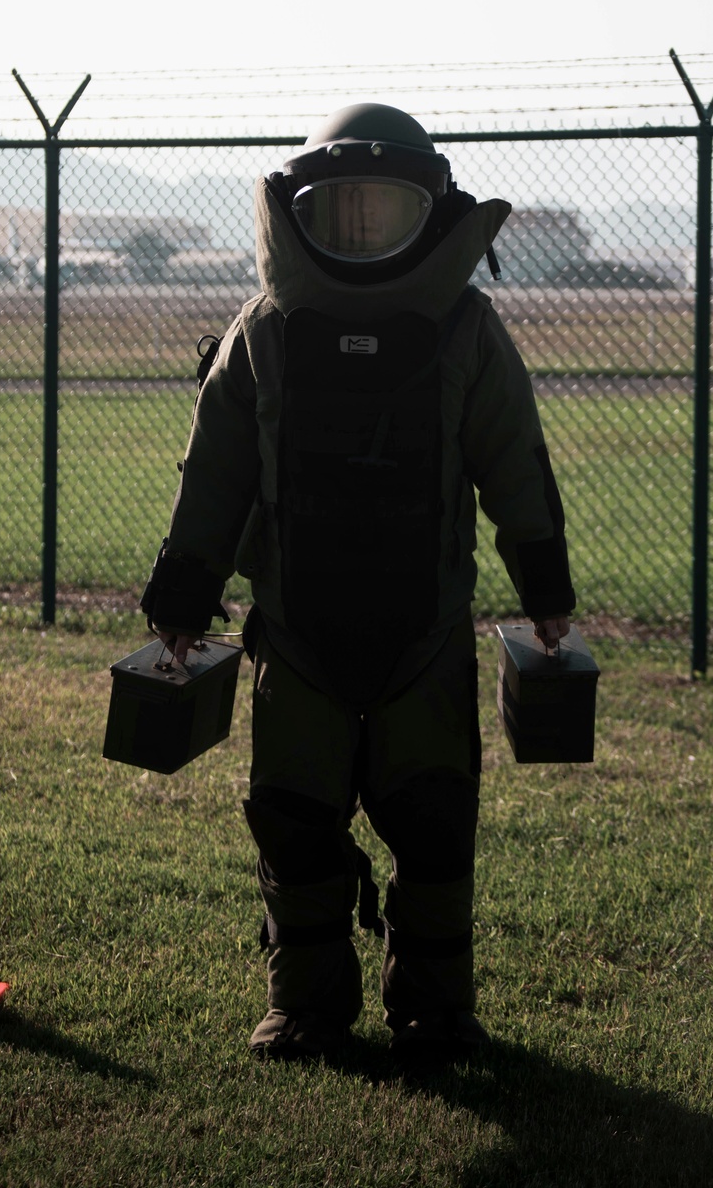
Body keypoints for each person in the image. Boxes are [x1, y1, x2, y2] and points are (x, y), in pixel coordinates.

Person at [140, 103, 575, 1061]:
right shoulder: (263, 332)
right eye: (344, 212)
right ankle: (305, 1008)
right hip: (295, 637)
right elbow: (213, 475)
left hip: (425, 638)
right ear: (304, 213)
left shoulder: (467, 330)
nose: (365, 231)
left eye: (386, 211)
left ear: (432, 213)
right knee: (293, 823)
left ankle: (436, 1008)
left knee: (434, 821)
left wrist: (546, 587)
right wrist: (182, 596)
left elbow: (515, 462)